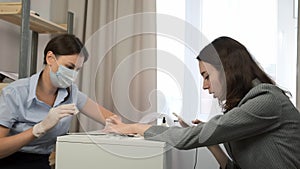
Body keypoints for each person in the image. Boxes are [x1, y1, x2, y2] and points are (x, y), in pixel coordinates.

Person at [105, 36, 300, 169]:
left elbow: (193, 137)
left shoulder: (266, 100)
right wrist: (211, 141)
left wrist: (135, 128)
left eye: (206, 76)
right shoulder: (246, 109)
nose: (205, 86)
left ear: (226, 70)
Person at [0, 34, 117, 169]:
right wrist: (38, 129)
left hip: (41, 162)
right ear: (50, 58)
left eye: (77, 69)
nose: (73, 74)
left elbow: (109, 118)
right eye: (69, 67)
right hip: (8, 161)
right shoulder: (15, 93)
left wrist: (131, 128)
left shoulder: (71, 93)